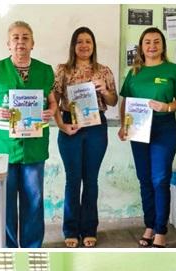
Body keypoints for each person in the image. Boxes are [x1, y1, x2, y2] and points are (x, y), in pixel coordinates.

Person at [0, 21, 57, 247]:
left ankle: (32, 245)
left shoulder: (45, 70)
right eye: (15, 38)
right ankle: (10, 247)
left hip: (34, 146)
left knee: (34, 199)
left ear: (33, 43)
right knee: (6, 200)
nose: (20, 42)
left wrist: (49, 112)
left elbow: (52, 102)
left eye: (25, 37)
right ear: (8, 44)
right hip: (3, 146)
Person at [119, 27, 176, 249]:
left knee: (160, 179)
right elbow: (125, 101)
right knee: (145, 179)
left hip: (163, 127)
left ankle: (160, 230)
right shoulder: (134, 72)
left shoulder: (173, 70)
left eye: (156, 41)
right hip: (138, 128)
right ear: (141, 47)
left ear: (162, 45)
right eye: (147, 42)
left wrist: (168, 107)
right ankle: (149, 225)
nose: (152, 45)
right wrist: (123, 126)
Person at [53, 27, 118, 248]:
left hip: (96, 126)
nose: (84, 45)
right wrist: (61, 125)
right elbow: (53, 100)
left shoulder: (104, 71)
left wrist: (104, 90)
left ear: (93, 45)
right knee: (73, 181)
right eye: (79, 42)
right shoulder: (62, 70)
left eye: (88, 41)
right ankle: (71, 229)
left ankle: (89, 229)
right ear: (73, 46)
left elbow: (113, 101)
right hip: (70, 124)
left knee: (91, 181)